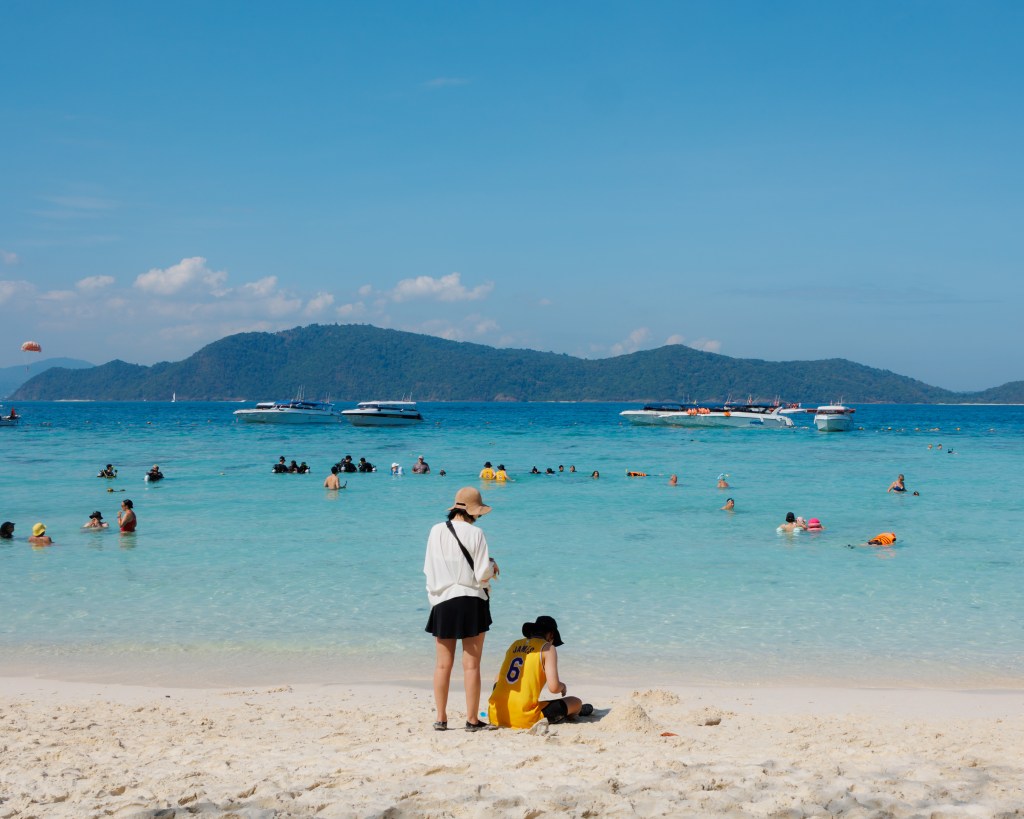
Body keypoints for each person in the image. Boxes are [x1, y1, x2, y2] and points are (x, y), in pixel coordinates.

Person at [424, 487, 498, 732]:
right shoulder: (477, 533)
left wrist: (435, 598)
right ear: (474, 511)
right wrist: (492, 566)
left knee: (442, 665)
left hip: (443, 601)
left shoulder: (436, 530)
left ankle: (441, 719)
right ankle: (472, 720)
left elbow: (429, 568)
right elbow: (481, 573)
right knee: (472, 665)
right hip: (471, 600)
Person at [487, 615, 593, 729]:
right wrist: (563, 687)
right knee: (576, 702)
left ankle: (502, 705)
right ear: (551, 635)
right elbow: (554, 688)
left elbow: (500, 677)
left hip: (495, 714)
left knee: (499, 676)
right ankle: (577, 711)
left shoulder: (515, 644)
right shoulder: (548, 648)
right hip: (523, 719)